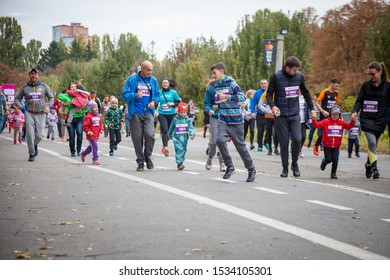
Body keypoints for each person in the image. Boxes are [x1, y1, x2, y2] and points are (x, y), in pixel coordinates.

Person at [266, 56, 315, 178]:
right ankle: (285, 168)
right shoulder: (276, 76)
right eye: (294, 70)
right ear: (287, 68)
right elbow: (268, 95)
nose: (296, 72)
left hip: (294, 114)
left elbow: (306, 93)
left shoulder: (299, 76)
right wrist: (273, 106)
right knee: (284, 142)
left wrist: (312, 108)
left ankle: (294, 164)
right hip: (281, 115)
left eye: (297, 70)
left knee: (298, 139)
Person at [212, 62, 256, 182]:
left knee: (240, 147)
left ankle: (251, 169)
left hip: (236, 120)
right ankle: (230, 166)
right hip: (224, 119)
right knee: (220, 140)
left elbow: (242, 97)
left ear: (221, 72)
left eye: (214, 73)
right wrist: (216, 105)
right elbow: (219, 100)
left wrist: (226, 98)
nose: (213, 75)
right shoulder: (216, 85)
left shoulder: (231, 82)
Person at [352, 61, 390, 179]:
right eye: (369, 74)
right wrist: (354, 111)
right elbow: (359, 100)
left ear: (380, 72)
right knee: (372, 143)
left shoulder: (388, 86)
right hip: (367, 119)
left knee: (373, 146)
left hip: (380, 120)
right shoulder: (366, 85)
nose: (371, 77)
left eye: (373, 74)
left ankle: (368, 164)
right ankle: (375, 169)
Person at [121, 60, 160, 171]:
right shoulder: (132, 79)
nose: (150, 72)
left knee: (150, 134)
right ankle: (140, 161)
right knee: (137, 137)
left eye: (151, 70)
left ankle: (147, 156)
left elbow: (157, 94)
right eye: (148, 70)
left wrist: (154, 102)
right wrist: (135, 95)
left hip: (148, 111)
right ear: (141, 69)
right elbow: (124, 95)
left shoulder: (154, 80)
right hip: (135, 111)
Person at [15, 68, 54, 161]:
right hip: (29, 113)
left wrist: (48, 106)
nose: (33, 75)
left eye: (35, 74)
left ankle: (35, 145)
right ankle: (31, 153)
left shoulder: (44, 86)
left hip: (41, 113)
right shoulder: (25, 87)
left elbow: (51, 97)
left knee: (40, 135)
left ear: (38, 75)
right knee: (29, 134)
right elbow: (17, 98)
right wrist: (19, 105)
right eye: (32, 74)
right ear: (29, 75)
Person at [311, 106, 357, 179]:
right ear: (330, 114)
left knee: (335, 159)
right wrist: (314, 119)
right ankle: (324, 162)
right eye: (333, 114)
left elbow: (349, 126)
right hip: (327, 145)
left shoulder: (341, 122)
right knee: (329, 159)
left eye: (337, 115)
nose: (335, 116)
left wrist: (353, 120)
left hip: (336, 145)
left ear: (339, 115)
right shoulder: (326, 121)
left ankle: (333, 173)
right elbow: (317, 125)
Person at [58, 84, 88, 157]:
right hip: (69, 119)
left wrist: (83, 110)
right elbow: (59, 96)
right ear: (69, 88)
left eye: (75, 87)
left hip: (79, 117)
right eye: (72, 87)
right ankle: (72, 151)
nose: (73, 88)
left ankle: (79, 150)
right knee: (71, 135)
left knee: (79, 132)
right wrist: (67, 99)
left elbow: (88, 106)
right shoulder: (67, 95)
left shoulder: (81, 94)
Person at [313, 78, 340, 156]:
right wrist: (322, 111)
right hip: (324, 115)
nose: (336, 88)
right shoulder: (324, 92)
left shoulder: (336, 93)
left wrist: (338, 115)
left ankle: (328, 148)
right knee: (323, 133)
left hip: (333, 116)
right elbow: (316, 103)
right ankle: (316, 145)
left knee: (330, 132)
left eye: (338, 86)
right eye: (335, 86)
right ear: (331, 83)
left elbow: (336, 104)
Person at [204, 79, 226, 172]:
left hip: (225, 116)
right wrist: (210, 110)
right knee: (213, 140)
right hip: (215, 117)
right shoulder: (210, 89)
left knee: (222, 140)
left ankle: (222, 162)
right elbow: (206, 104)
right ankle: (210, 158)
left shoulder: (227, 87)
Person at [157, 77, 181, 157]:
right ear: (162, 84)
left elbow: (178, 102)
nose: (165, 84)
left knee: (170, 132)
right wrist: (155, 111)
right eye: (163, 83)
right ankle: (165, 147)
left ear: (169, 84)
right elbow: (155, 101)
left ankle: (168, 144)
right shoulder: (159, 92)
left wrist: (172, 104)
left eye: (166, 83)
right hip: (162, 113)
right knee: (165, 130)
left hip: (172, 113)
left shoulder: (173, 93)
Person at [167, 102, 195, 170]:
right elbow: (171, 127)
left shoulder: (188, 120)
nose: (182, 114)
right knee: (179, 149)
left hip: (185, 138)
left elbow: (191, 128)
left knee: (184, 150)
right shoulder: (175, 119)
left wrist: (192, 134)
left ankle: (181, 162)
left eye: (184, 112)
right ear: (178, 112)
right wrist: (169, 134)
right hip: (176, 138)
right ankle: (179, 163)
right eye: (181, 112)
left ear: (186, 112)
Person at [81, 101, 103, 165]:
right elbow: (85, 126)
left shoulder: (98, 116)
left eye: (96, 107)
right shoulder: (88, 116)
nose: (96, 108)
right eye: (94, 107)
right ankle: (95, 159)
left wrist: (101, 129)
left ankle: (83, 153)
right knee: (95, 146)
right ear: (90, 108)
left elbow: (100, 124)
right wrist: (88, 131)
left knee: (91, 147)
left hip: (96, 134)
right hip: (91, 135)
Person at [258, 90, 279, 155]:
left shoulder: (278, 92)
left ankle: (276, 148)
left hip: (277, 116)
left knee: (276, 133)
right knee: (269, 133)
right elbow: (260, 105)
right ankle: (270, 149)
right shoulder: (265, 94)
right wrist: (266, 111)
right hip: (268, 116)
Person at [250, 79, 268, 151]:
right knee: (260, 131)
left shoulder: (271, 91)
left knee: (269, 131)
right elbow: (253, 103)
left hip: (269, 115)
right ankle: (260, 145)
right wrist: (252, 112)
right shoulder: (257, 93)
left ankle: (266, 142)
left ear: (267, 84)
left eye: (265, 83)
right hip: (260, 115)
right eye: (262, 84)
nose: (263, 85)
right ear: (260, 85)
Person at [298, 92, 312, 158]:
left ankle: (299, 149)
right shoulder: (294, 98)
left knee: (303, 136)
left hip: (303, 121)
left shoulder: (305, 98)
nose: (299, 90)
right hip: (295, 121)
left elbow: (308, 109)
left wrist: (310, 118)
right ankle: (296, 149)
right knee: (296, 137)